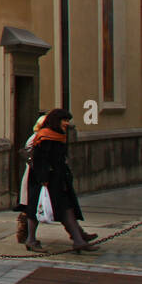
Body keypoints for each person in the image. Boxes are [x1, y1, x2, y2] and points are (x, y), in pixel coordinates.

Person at [22, 108, 99, 253]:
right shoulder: (45, 136)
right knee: (36, 210)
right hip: (44, 181)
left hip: (58, 180)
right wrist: (43, 179)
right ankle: (31, 240)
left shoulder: (59, 136)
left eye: (67, 120)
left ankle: (78, 240)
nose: (67, 124)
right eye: (64, 120)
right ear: (56, 121)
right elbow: (40, 159)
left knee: (66, 208)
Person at [13, 112, 47, 244]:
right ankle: (26, 234)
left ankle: (78, 235)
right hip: (34, 175)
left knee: (33, 205)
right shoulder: (36, 137)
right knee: (32, 206)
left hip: (35, 175)